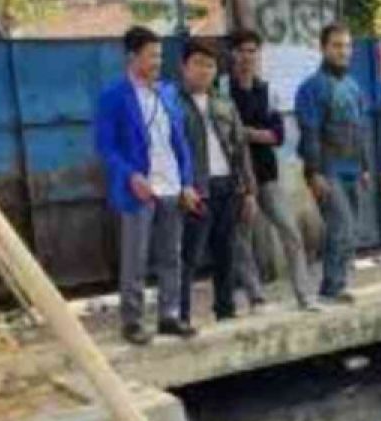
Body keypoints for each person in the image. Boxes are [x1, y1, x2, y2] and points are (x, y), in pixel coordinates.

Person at [94, 26, 200, 346]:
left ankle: (169, 315)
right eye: (152, 55)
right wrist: (130, 176)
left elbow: (180, 141)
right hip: (138, 189)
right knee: (135, 258)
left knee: (172, 255)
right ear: (132, 56)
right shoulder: (113, 96)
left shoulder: (166, 93)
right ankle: (132, 321)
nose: (158, 61)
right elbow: (105, 146)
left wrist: (187, 182)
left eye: (160, 55)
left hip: (171, 187)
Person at [227, 28, 318, 311]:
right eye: (242, 50)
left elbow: (278, 136)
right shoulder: (222, 90)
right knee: (241, 239)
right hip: (236, 178)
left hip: (267, 174)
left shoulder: (268, 91)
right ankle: (256, 297)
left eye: (252, 51)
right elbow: (226, 135)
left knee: (290, 231)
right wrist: (257, 133)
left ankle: (305, 294)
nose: (247, 56)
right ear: (232, 55)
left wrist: (247, 132)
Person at [172, 39, 258, 326]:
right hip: (195, 189)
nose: (204, 71)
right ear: (184, 67)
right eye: (198, 64)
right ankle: (181, 315)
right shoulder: (172, 103)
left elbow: (240, 147)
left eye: (210, 65)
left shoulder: (224, 102)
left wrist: (248, 191)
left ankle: (225, 309)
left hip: (226, 186)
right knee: (189, 256)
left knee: (227, 252)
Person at [296, 22, 371, 304]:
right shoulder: (311, 88)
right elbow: (310, 133)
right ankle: (331, 288)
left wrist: (364, 167)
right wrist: (314, 172)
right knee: (340, 226)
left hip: (353, 169)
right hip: (328, 171)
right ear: (323, 48)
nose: (344, 51)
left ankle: (337, 283)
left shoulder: (353, 86)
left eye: (347, 46)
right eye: (337, 46)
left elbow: (361, 129)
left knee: (350, 232)